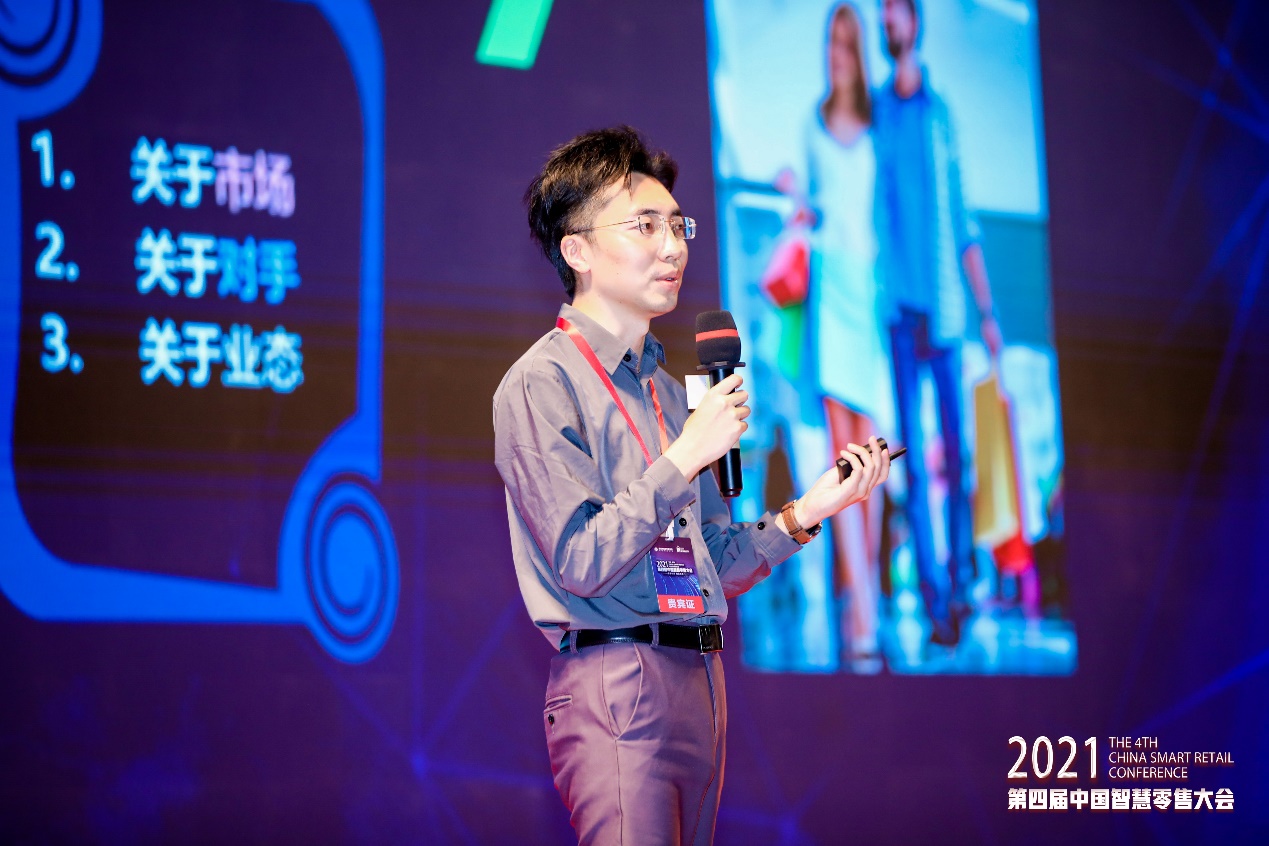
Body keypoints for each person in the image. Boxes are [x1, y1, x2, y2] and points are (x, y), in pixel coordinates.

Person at [493, 126, 890, 845]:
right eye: (645, 225)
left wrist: (808, 511)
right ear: (577, 250)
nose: (673, 247)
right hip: (616, 680)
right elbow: (579, 558)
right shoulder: (541, 383)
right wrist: (684, 457)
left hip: (698, 679)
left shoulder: (673, 397)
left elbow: (704, 557)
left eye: (678, 226)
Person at [872, 0, 1003, 647]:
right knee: (916, 468)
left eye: (893, 9)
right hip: (898, 311)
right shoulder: (874, 113)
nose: (885, 19)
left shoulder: (941, 114)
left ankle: (961, 585)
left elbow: (965, 218)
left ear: (914, 21)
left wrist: (988, 313)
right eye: (880, 11)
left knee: (958, 454)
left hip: (947, 312)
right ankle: (933, 603)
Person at [803, 1, 896, 670]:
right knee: (844, 460)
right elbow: (815, 209)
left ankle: (868, 600)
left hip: (871, 297)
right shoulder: (811, 124)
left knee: (874, 461)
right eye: (831, 43)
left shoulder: (877, 123)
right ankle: (862, 611)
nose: (838, 54)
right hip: (828, 292)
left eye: (847, 43)